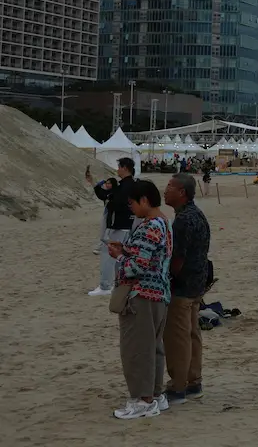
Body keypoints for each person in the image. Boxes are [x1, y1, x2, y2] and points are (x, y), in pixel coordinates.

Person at [110, 179, 173, 420]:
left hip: (142, 296)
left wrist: (119, 259)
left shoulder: (150, 226)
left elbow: (137, 266)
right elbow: (147, 256)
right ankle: (155, 396)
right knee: (153, 348)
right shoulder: (163, 223)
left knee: (137, 349)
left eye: (132, 203)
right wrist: (125, 250)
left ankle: (143, 400)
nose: (131, 208)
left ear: (145, 200)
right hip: (159, 295)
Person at [162, 174, 210, 405]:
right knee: (192, 334)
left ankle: (178, 386)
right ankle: (194, 381)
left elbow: (177, 258)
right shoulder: (196, 214)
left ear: (182, 192)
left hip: (182, 287)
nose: (165, 190)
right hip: (197, 284)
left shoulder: (183, 220)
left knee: (177, 337)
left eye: (170, 186)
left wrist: (168, 278)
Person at [90, 157, 138, 297]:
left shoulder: (126, 186)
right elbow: (107, 196)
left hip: (119, 225)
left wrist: (110, 202)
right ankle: (117, 283)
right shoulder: (127, 184)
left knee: (109, 254)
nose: (117, 170)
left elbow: (118, 203)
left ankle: (105, 286)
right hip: (125, 225)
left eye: (119, 167)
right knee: (120, 257)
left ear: (124, 168)